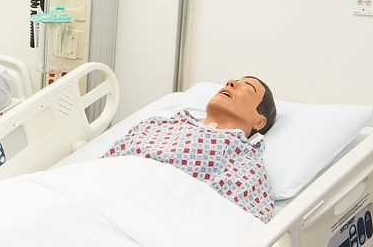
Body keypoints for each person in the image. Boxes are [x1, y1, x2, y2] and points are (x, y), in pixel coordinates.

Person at [104, 76, 279, 221]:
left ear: (259, 121)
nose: (230, 82)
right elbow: (103, 166)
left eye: (247, 87)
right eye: (233, 81)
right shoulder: (157, 123)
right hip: (107, 195)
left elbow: (238, 222)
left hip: (153, 217)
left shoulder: (245, 161)